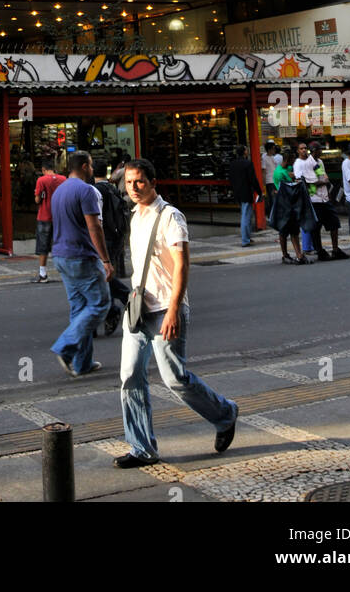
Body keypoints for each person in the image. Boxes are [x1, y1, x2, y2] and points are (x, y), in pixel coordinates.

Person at [114, 158, 238, 468]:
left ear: (154, 182)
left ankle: (225, 414)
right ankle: (142, 448)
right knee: (130, 376)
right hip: (139, 308)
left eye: (139, 181)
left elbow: (182, 264)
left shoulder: (171, 217)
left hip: (165, 309)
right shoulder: (134, 215)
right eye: (129, 182)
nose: (133, 187)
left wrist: (173, 311)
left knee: (174, 379)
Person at [49, 151, 112, 377]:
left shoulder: (59, 191)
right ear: (85, 166)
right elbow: (94, 227)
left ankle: (83, 362)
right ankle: (65, 347)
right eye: (91, 166)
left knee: (79, 309)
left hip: (61, 255)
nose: (93, 170)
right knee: (100, 304)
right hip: (81, 255)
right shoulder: (86, 191)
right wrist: (105, 259)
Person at [293, 140, 349, 260]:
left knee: (334, 224)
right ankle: (320, 251)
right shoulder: (302, 163)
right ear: (314, 151)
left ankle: (335, 249)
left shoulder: (319, 162)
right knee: (316, 227)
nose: (321, 151)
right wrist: (319, 182)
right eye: (319, 149)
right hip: (314, 199)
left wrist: (323, 181)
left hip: (324, 198)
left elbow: (324, 176)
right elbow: (302, 181)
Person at [93, 160, 129, 335]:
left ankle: (122, 300)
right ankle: (119, 302)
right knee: (105, 274)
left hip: (104, 238)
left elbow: (96, 220)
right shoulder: (112, 188)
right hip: (115, 237)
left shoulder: (96, 191)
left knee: (102, 276)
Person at [269, 146, 311, 264]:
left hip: (291, 204)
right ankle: (285, 255)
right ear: (288, 160)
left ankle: (299, 254)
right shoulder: (279, 173)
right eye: (293, 160)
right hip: (283, 205)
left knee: (294, 230)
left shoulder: (286, 169)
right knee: (284, 231)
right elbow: (285, 189)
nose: (294, 162)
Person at [33, 157, 66, 283]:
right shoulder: (63, 179)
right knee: (61, 244)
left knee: (43, 246)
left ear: (43, 169)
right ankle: (65, 272)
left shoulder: (41, 180)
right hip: (60, 216)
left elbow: (37, 200)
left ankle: (43, 274)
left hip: (44, 216)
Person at [227, 145, 263, 248]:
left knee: (245, 214)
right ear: (244, 152)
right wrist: (259, 191)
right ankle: (245, 239)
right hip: (246, 191)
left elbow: (231, 179)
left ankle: (247, 237)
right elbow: (253, 179)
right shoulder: (247, 163)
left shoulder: (232, 164)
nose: (247, 151)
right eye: (246, 150)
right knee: (246, 216)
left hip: (237, 192)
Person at [261, 141, 282, 214]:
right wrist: (263, 182)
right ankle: (271, 215)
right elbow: (263, 171)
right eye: (273, 148)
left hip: (275, 181)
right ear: (269, 149)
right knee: (272, 199)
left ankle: (273, 214)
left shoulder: (273, 157)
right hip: (269, 181)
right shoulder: (264, 158)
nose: (274, 150)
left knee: (275, 198)